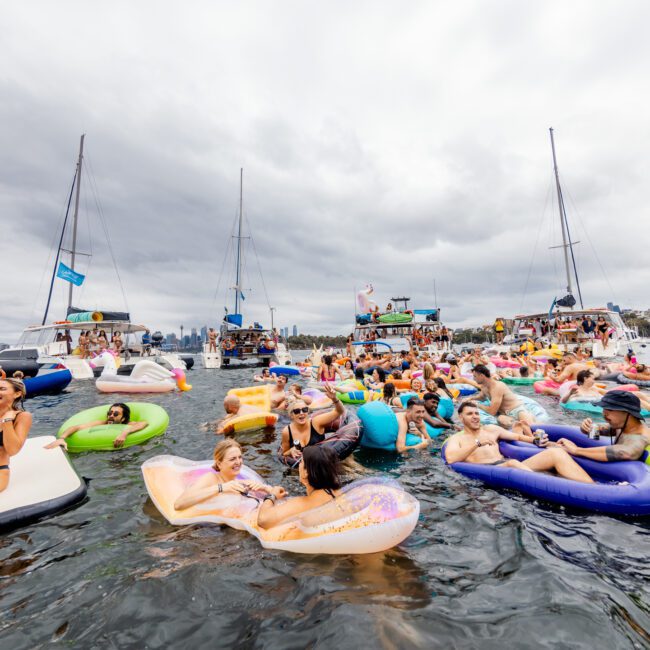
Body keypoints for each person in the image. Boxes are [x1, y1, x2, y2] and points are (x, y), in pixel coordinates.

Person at [445, 402, 593, 482]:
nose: (475, 417)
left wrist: (537, 440)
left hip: (506, 465)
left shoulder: (490, 429)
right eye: (470, 414)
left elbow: (518, 438)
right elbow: (451, 459)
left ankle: (591, 487)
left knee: (555, 452)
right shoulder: (457, 439)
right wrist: (477, 443)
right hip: (489, 471)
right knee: (513, 463)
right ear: (461, 417)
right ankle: (551, 485)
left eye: (477, 413)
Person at [174, 439, 286, 510]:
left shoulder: (243, 482)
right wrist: (221, 488)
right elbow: (179, 504)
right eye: (232, 459)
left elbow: (281, 497)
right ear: (219, 463)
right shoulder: (211, 479)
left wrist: (265, 488)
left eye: (240, 457)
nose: (238, 462)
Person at [258, 445, 342, 529]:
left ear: (306, 472)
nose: (299, 464)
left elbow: (263, 521)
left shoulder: (303, 503)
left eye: (301, 461)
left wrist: (272, 495)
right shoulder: (338, 493)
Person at [557, 391, 650, 462]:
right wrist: (585, 427)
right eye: (604, 409)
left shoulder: (640, 436)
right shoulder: (622, 427)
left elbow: (625, 453)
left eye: (609, 409)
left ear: (628, 413)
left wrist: (576, 450)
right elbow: (595, 431)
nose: (604, 414)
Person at [279, 384, 343, 464]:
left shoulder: (316, 422)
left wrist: (334, 398)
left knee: (348, 463)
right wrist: (291, 450)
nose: (301, 413)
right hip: (305, 465)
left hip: (325, 460)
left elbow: (339, 411)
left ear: (308, 412)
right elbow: (284, 453)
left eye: (304, 410)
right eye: (297, 411)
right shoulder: (287, 431)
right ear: (291, 415)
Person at [46, 403, 147, 450]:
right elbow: (76, 427)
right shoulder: (102, 423)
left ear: (123, 418)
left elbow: (143, 423)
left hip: (126, 450)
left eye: (116, 414)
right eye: (110, 413)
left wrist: (124, 433)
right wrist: (62, 438)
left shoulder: (127, 424)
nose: (111, 416)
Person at [471, 365, 535, 435]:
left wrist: (477, 405)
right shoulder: (484, 386)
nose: (474, 379)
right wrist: (470, 398)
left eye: (475, 376)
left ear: (482, 375)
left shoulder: (497, 387)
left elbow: (492, 412)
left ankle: (531, 425)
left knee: (531, 427)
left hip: (516, 410)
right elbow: (482, 396)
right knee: (501, 419)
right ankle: (520, 429)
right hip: (505, 415)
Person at [0, 378, 33, 493]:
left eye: (2, 389)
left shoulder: (22, 416)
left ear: (17, 394)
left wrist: (7, 421)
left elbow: (13, 450)